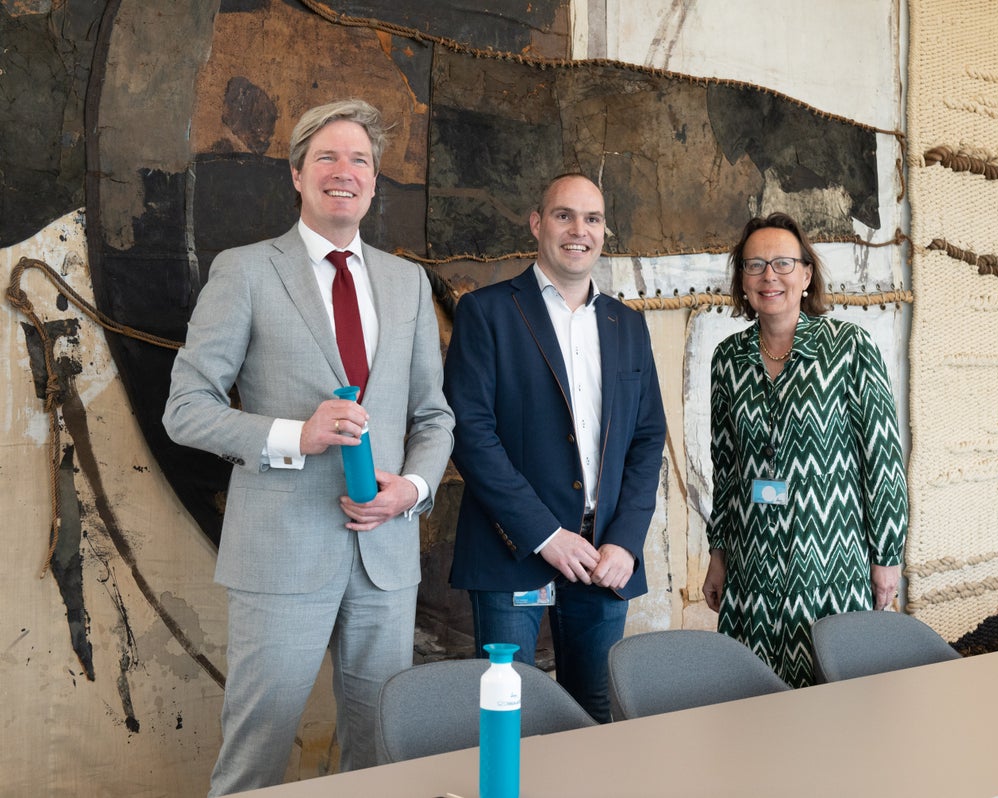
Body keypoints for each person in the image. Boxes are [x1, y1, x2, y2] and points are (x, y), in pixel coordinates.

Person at [163, 98, 454, 795]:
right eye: (326, 156)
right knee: (256, 761)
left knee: (380, 759)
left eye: (359, 159)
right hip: (280, 556)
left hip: (385, 559)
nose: (343, 171)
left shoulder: (408, 283)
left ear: (374, 181)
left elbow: (433, 416)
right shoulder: (245, 271)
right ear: (297, 174)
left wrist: (412, 489)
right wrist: (298, 434)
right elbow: (186, 410)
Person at [444, 173, 666, 722]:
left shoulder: (628, 325)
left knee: (594, 715)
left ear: (604, 232)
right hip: (512, 551)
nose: (578, 230)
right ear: (536, 224)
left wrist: (626, 541)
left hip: (603, 556)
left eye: (592, 219)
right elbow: (470, 433)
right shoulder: (487, 312)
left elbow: (646, 439)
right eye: (564, 215)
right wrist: (545, 534)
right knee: (509, 716)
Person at [702, 212, 908, 688]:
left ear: (807, 274)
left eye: (783, 263)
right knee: (755, 701)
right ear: (742, 280)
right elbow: (726, 468)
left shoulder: (849, 348)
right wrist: (718, 553)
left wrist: (887, 556)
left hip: (831, 561)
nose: (769, 276)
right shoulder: (728, 359)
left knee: (835, 701)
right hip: (752, 566)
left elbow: (883, 461)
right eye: (754, 265)